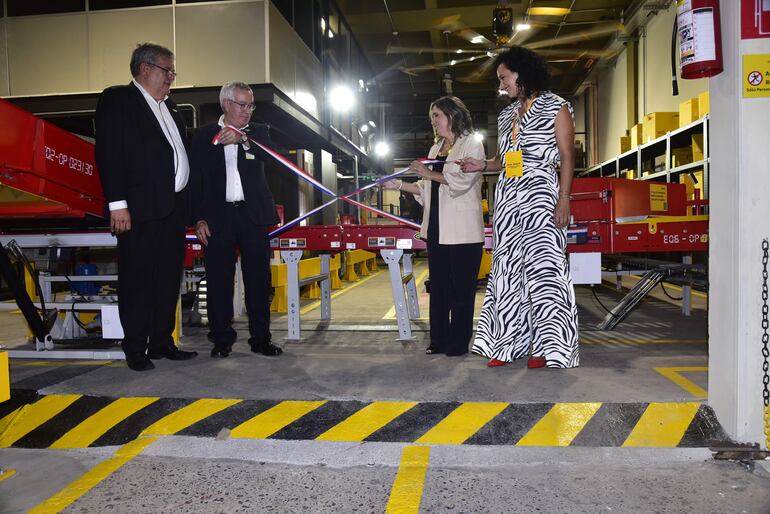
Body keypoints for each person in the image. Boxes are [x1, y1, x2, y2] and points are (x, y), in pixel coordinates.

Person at [458, 46, 579, 369]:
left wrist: (564, 198)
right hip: (508, 199)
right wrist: (481, 165)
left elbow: (567, 156)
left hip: (542, 196)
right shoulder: (506, 115)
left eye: (504, 78)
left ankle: (547, 347)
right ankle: (505, 343)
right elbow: (504, 160)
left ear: (521, 73)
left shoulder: (557, 107)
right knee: (507, 270)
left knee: (544, 271)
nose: (501, 85)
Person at [95, 42, 198, 372]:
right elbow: (109, 152)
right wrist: (117, 204)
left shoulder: (172, 107)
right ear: (145, 69)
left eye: (172, 72)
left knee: (167, 280)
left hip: (171, 209)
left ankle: (162, 342)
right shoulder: (119, 100)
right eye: (167, 71)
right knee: (137, 281)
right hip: (137, 209)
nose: (171, 78)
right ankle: (136, 348)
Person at [383, 96, 485, 357]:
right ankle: (438, 340)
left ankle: (458, 343)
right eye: (432, 117)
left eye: (437, 115)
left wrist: (428, 173)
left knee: (461, 291)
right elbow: (426, 189)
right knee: (438, 288)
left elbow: (462, 182)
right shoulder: (434, 149)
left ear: (452, 115)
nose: (434, 121)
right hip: (437, 229)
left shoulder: (472, 144)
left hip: (463, 232)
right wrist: (399, 185)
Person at [191, 82, 282, 358]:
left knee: (257, 279)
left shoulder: (259, 132)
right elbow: (196, 180)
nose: (247, 111)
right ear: (226, 104)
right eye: (242, 105)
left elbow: (272, 157)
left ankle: (261, 338)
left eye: (251, 105)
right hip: (217, 218)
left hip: (253, 216)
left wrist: (243, 139)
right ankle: (221, 339)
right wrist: (198, 218)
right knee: (219, 280)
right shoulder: (203, 135)